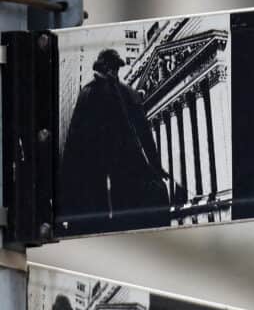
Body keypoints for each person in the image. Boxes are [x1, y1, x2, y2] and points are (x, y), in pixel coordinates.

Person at [59, 48, 173, 233]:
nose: (113, 72)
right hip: (107, 173)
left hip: (118, 171)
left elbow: (74, 143)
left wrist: (156, 165)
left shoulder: (106, 93)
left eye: (115, 68)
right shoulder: (101, 94)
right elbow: (75, 142)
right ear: (105, 68)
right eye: (111, 68)